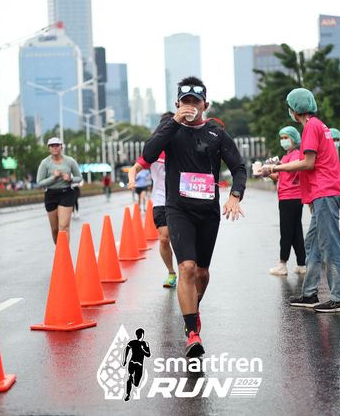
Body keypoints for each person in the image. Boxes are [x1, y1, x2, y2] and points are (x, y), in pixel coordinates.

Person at [142, 77, 247, 358]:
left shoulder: (216, 134)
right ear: (177, 104)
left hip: (208, 212)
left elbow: (238, 167)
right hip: (178, 210)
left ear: (205, 105)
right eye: (185, 102)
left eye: (195, 102)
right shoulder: (170, 130)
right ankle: (192, 333)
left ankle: (192, 308)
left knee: (201, 272)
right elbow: (148, 154)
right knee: (186, 268)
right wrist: (173, 122)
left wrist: (235, 195)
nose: (190, 106)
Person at [263, 88, 340, 313]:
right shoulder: (318, 125)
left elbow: (308, 163)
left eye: (289, 107)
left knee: (329, 244)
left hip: (325, 191)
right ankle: (310, 293)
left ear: (295, 109)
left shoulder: (311, 126)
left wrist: (275, 168)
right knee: (312, 244)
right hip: (321, 192)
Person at [129, 112, 177, 288]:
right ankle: (171, 273)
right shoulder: (154, 150)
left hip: (181, 200)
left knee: (182, 239)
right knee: (164, 238)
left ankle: (187, 269)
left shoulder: (182, 147)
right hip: (161, 199)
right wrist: (132, 179)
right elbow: (135, 168)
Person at [267, 126, 306, 276]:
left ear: (294, 139)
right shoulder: (285, 157)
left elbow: (289, 169)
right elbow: (279, 176)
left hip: (291, 196)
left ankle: (282, 264)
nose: (283, 141)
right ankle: (301, 264)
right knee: (296, 231)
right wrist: (266, 171)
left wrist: (275, 167)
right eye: (281, 138)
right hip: (288, 196)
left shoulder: (296, 155)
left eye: (286, 138)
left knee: (286, 231)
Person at [36, 137, 82, 243]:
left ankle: (65, 252)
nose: (55, 147)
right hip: (51, 195)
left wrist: (70, 179)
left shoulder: (70, 161)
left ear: (61, 147)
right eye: (52, 146)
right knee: (55, 230)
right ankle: (59, 251)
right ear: (49, 148)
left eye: (57, 145)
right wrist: (54, 178)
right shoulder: (45, 163)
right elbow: (40, 182)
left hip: (66, 193)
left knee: (64, 227)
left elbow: (79, 178)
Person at [121, 328, 151, 402]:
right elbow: (148, 354)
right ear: (142, 335)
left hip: (131, 363)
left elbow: (126, 349)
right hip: (138, 365)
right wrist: (142, 349)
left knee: (132, 379)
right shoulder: (145, 343)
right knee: (136, 383)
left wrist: (124, 360)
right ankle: (128, 391)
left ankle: (128, 393)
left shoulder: (133, 342)